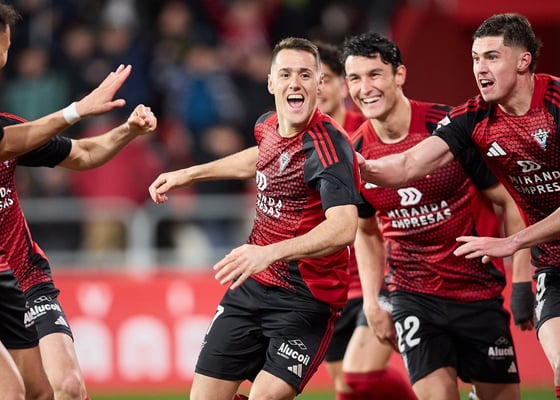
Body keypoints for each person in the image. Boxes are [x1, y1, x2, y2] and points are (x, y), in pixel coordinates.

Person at [358, 13, 560, 398]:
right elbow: (408, 164)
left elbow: (509, 209)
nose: (480, 68)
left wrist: (514, 245)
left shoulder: (555, 103)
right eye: (475, 58)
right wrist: (360, 166)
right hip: (553, 264)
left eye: (491, 57)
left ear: (523, 61)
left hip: (488, 284)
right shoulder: (472, 117)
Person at [148, 37, 361, 400]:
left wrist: (269, 252)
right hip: (251, 287)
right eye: (286, 74)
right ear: (271, 82)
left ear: (320, 84)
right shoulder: (267, 125)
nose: (295, 83)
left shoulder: (329, 146)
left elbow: (344, 227)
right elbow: (261, 157)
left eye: (305, 75)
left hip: (305, 298)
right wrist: (189, 174)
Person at [0, 3, 138, 400]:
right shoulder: (9, 136)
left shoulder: (10, 126)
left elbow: (83, 154)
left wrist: (128, 130)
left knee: (64, 389)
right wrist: (77, 110)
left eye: (4, 51)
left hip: (22, 276)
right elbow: (5, 144)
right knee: (10, 392)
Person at [314, 40, 415, 400]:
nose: (318, 89)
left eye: (325, 79)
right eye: (311, 80)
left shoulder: (367, 129)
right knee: (347, 387)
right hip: (330, 284)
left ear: (343, 86)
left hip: (375, 277)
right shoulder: (301, 140)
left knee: (360, 379)